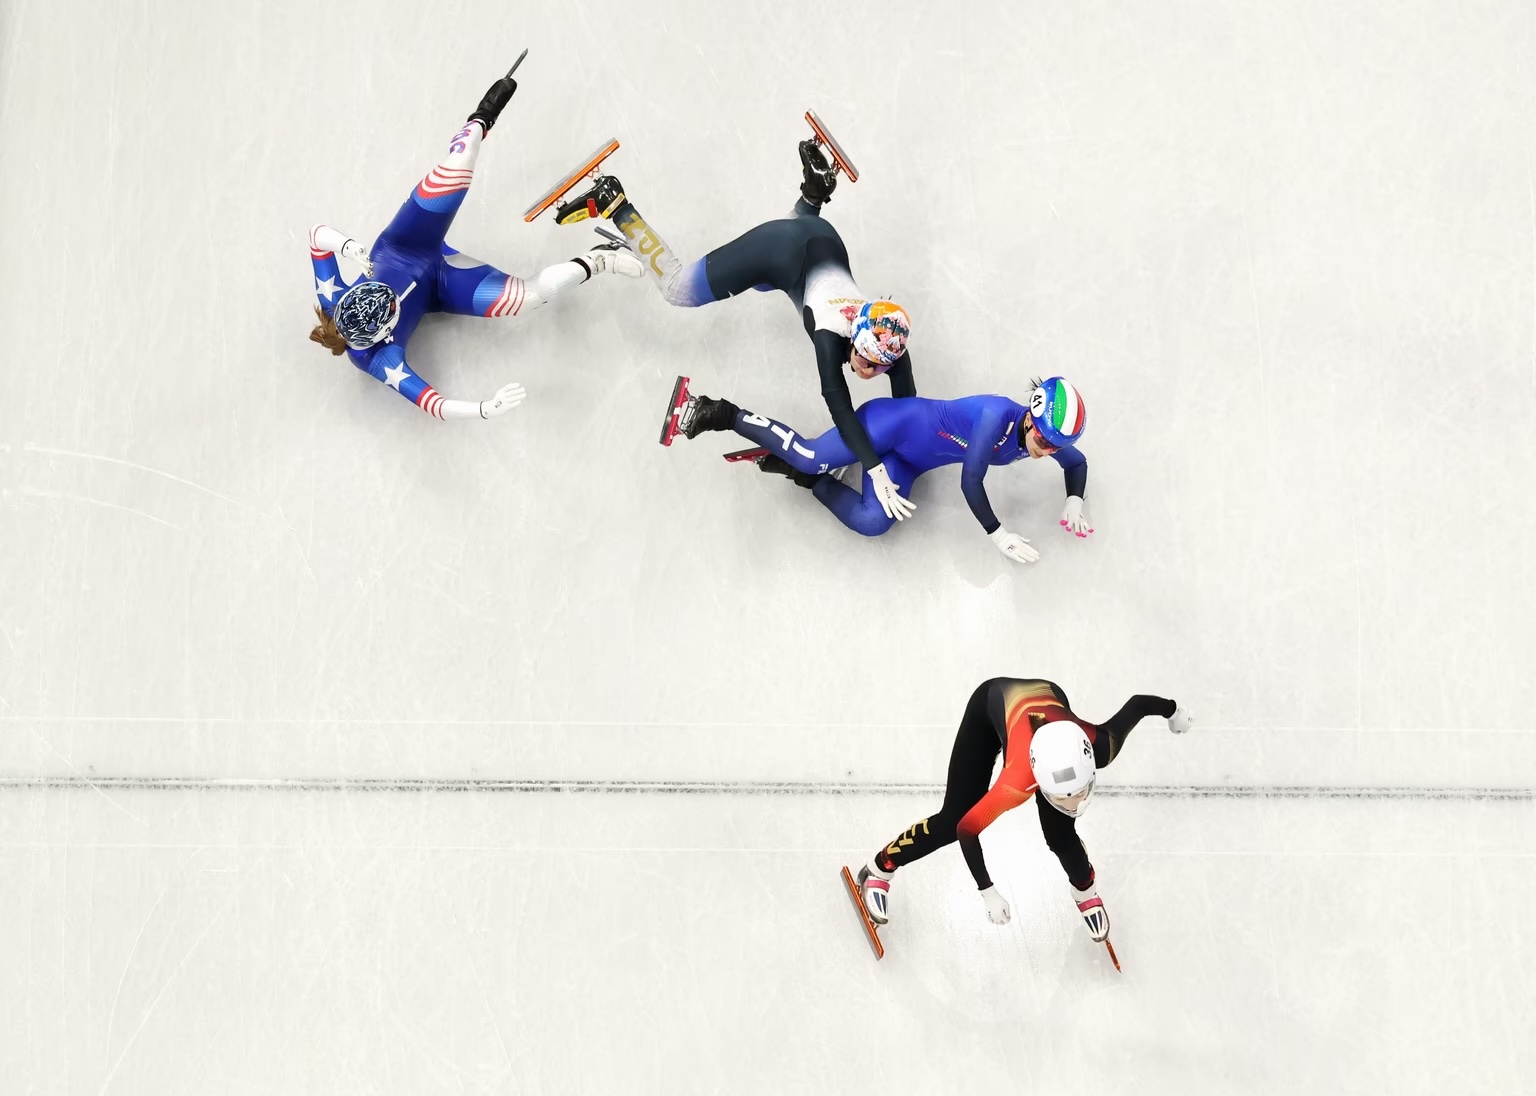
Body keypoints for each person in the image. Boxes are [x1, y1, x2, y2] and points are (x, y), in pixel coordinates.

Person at [553, 140, 920, 519]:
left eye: (880, 367)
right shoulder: (830, 334)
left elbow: (910, 408)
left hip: (821, 236)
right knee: (679, 289)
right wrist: (875, 469)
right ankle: (616, 202)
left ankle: (814, 193)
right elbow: (840, 407)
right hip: (777, 250)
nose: (872, 372)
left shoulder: (887, 335)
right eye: (867, 362)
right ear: (853, 338)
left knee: (769, 276)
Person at [307, 72, 642, 422]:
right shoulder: (378, 361)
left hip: (404, 242)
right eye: (392, 304)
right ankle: (600, 260)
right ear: (384, 332)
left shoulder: (332, 299)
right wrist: (485, 408)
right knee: (526, 298)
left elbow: (316, 237)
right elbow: (434, 405)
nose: (392, 294)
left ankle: (481, 118)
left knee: (459, 164)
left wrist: (345, 246)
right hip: (441, 285)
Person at [856, 678, 1192, 943]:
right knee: (951, 820)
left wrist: (1174, 711)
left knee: (1061, 835)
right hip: (991, 706)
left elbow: (1139, 705)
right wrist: (987, 889)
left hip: (1047, 703)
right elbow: (967, 830)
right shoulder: (1016, 781)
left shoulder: (1101, 744)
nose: (1075, 803)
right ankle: (880, 868)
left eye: (1080, 792)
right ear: (1037, 785)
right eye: (1063, 797)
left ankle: (1085, 892)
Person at [665, 375, 1093, 561]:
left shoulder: (1046, 441)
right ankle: (717, 411)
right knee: (811, 453)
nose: (1046, 452)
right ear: (1030, 418)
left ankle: (801, 478)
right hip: (888, 427)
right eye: (1043, 441)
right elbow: (971, 479)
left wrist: (1074, 499)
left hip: (908, 461)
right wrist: (997, 534)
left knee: (874, 523)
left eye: (1055, 447)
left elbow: (1078, 462)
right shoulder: (995, 416)